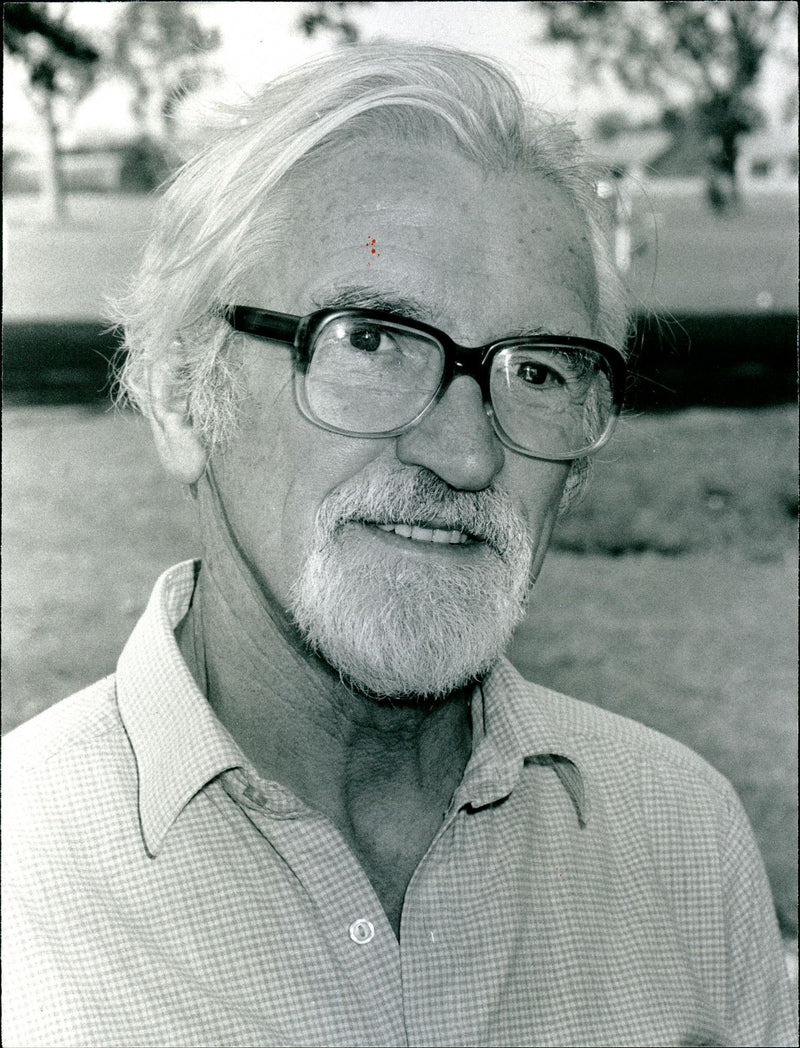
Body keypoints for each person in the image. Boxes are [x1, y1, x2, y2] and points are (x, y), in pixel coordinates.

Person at [2, 44, 796, 1048]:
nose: (465, 451)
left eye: (539, 371)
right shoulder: (22, 893)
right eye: (368, 340)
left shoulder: (682, 844)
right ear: (178, 393)